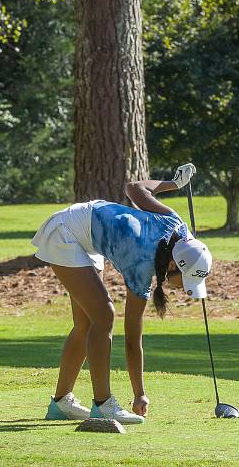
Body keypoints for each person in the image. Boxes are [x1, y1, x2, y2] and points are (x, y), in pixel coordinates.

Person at [31, 164, 212, 424]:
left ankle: (61, 403)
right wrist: (140, 394)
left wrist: (174, 185)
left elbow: (135, 189)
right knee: (104, 316)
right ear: (172, 265)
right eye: (184, 281)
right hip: (66, 232)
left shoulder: (176, 226)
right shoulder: (142, 262)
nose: (184, 289)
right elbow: (132, 340)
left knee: (85, 324)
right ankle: (103, 404)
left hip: (85, 233)